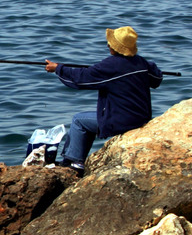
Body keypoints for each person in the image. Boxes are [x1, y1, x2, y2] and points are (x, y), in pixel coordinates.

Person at [44, 26, 163, 175]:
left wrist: (58, 69)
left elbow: (82, 79)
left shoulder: (111, 65)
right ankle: (77, 161)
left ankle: (73, 162)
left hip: (122, 122)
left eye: (110, 43)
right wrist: (147, 66)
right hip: (141, 118)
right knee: (87, 120)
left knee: (79, 121)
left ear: (115, 48)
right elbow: (157, 78)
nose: (108, 46)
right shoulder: (141, 63)